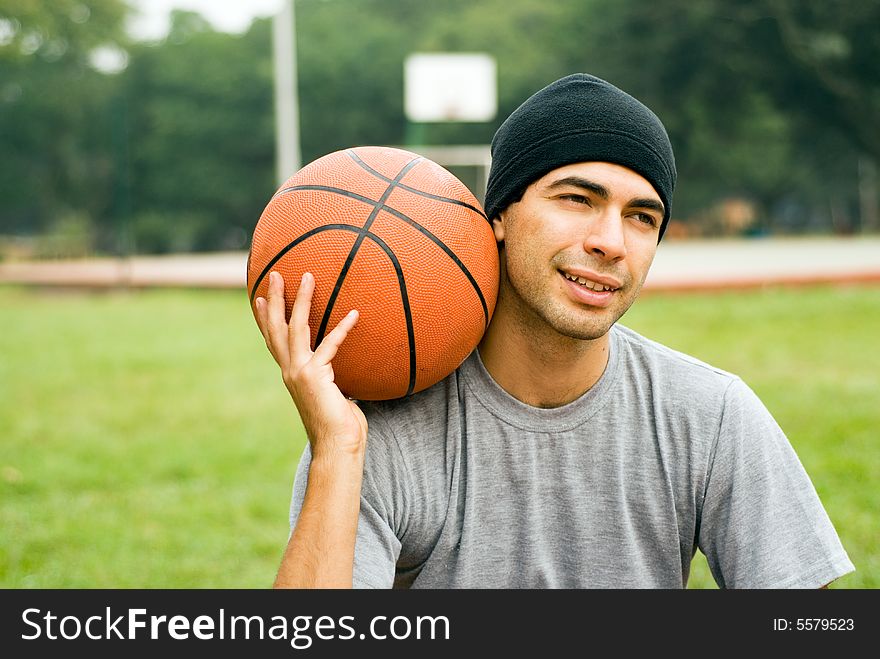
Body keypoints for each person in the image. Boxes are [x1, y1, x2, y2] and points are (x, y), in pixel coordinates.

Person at [255, 73, 855, 588]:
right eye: (576, 198)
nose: (611, 242)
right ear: (498, 218)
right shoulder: (377, 435)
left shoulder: (709, 415)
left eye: (642, 217)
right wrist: (337, 449)